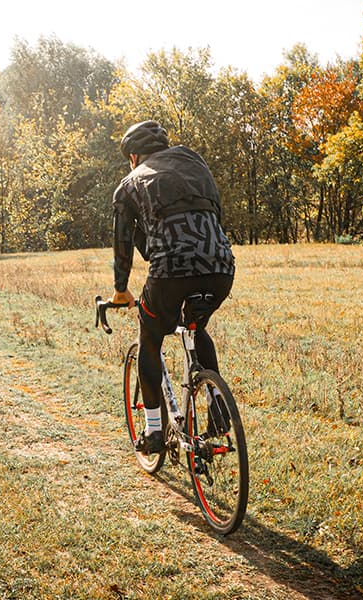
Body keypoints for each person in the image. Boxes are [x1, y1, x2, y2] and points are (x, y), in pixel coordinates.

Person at [109, 120, 235, 454]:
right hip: (220, 265)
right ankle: (218, 406)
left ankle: (153, 432)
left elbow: (122, 243)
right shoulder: (195, 162)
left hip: (171, 271)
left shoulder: (129, 183)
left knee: (150, 338)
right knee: (196, 326)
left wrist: (121, 288)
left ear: (133, 156)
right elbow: (213, 213)